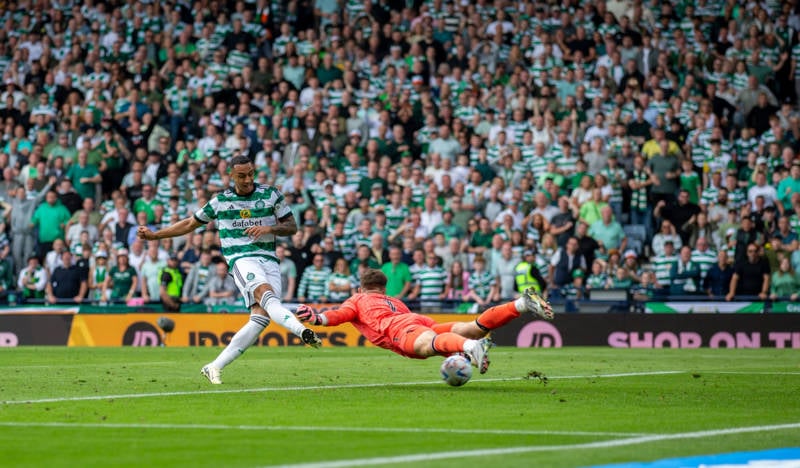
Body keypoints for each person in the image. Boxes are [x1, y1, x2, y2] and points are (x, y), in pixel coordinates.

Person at [137, 155, 321, 385]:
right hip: (242, 259)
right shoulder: (220, 201)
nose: (247, 180)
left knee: (260, 319)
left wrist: (268, 228)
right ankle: (302, 331)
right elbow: (189, 224)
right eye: (241, 176)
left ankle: (214, 366)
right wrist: (156, 235)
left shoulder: (271, 194)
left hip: (269, 259)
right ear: (231, 176)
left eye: (250, 174)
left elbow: (292, 226)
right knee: (267, 296)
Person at [295, 269, 553, 374]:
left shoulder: (358, 299)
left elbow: (338, 316)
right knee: (469, 327)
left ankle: (470, 346)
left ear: (362, 288)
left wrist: (317, 318)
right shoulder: (394, 300)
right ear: (383, 289)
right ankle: (519, 304)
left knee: (425, 345)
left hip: (398, 327)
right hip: (414, 318)